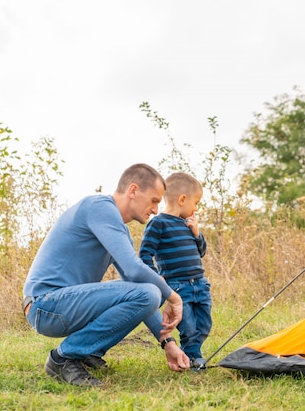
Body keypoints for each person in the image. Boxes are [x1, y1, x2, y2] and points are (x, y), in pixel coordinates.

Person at [22, 163, 190, 387]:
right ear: (133, 190)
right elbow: (135, 272)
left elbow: (137, 284)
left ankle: (88, 351)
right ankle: (64, 358)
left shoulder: (116, 227)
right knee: (152, 290)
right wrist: (174, 297)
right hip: (45, 305)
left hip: (61, 306)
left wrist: (168, 343)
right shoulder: (99, 207)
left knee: (151, 291)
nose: (155, 210)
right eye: (154, 200)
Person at [139, 172, 212, 371]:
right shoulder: (158, 223)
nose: (196, 208)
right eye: (196, 203)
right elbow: (145, 254)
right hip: (178, 286)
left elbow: (201, 252)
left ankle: (193, 354)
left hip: (200, 283)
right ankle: (193, 358)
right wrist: (155, 276)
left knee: (204, 324)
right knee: (188, 326)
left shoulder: (189, 225)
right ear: (182, 200)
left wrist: (197, 234)